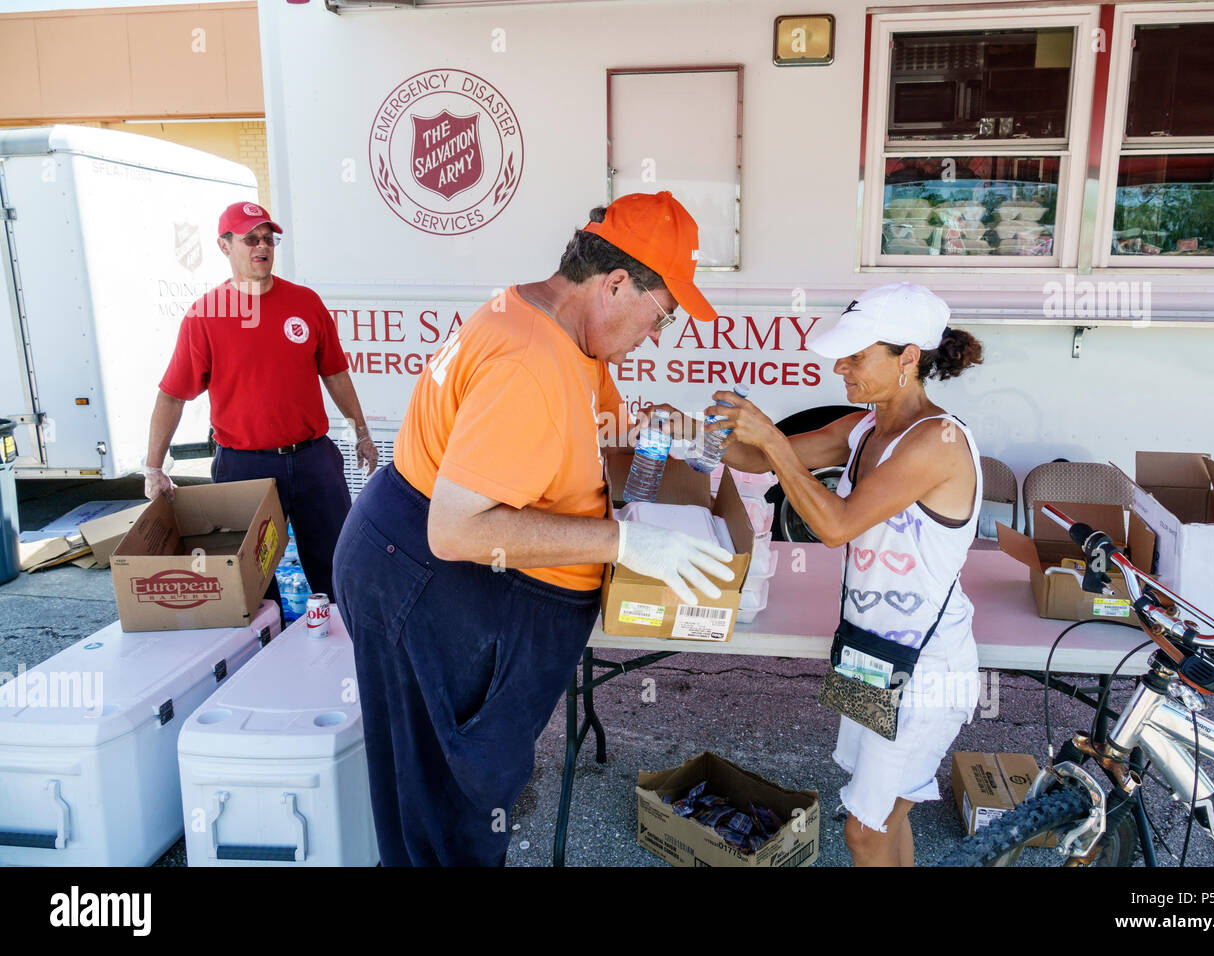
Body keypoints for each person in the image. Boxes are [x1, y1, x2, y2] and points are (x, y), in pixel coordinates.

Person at [331, 191, 735, 867]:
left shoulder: (558, 327)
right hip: (429, 576)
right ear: (613, 284)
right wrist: (630, 543)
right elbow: (457, 531)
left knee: (445, 783)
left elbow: (597, 426)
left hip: (419, 555)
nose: (657, 336)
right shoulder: (530, 362)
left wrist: (664, 433)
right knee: (443, 803)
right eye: (660, 316)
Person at [704, 282, 984, 867]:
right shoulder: (863, 428)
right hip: (867, 654)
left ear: (908, 358)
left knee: (864, 828)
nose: (841, 366)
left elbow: (836, 525)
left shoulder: (938, 441)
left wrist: (770, 441)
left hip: (923, 668)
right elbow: (761, 455)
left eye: (858, 355)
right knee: (884, 812)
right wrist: (690, 433)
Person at [144, 201, 377, 606]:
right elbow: (172, 396)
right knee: (251, 580)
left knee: (340, 566)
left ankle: (342, 651)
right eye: (250, 238)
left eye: (268, 239)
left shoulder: (306, 303)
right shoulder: (206, 315)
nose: (262, 246)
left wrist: (362, 432)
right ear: (224, 245)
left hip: (313, 460)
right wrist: (153, 466)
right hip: (245, 466)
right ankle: (264, 654)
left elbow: (336, 374)